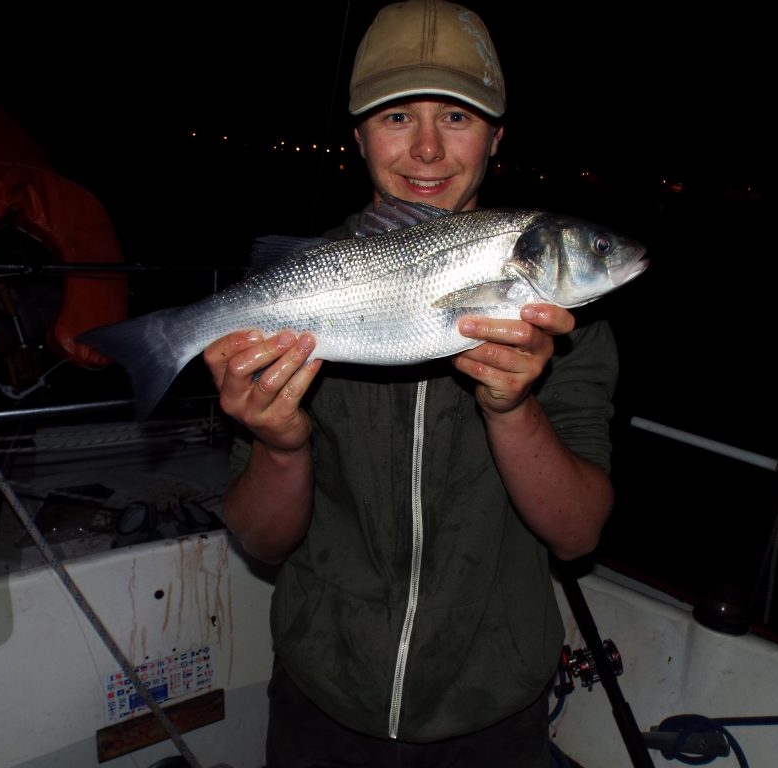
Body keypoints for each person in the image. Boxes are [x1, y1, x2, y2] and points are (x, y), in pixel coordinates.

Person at [202, 1, 619, 765]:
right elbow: (260, 540)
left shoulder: (566, 323)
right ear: (358, 137)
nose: (427, 149)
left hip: (494, 712)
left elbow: (578, 532)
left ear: (496, 138)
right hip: (320, 701)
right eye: (397, 117)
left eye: (456, 117)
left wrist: (513, 406)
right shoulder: (304, 288)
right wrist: (280, 443)